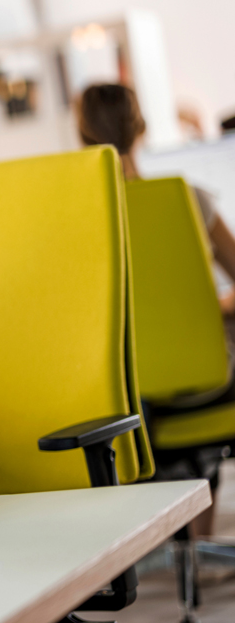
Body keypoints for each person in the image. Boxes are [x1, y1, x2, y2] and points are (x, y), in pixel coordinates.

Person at [77, 82, 235, 536]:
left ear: (80, 134)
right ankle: (197, 544)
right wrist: (214, 305)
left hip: (120, 401)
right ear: (141, 128)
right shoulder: (188, 198)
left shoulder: (82, 217)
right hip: (205, 387)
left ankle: (178, 543)